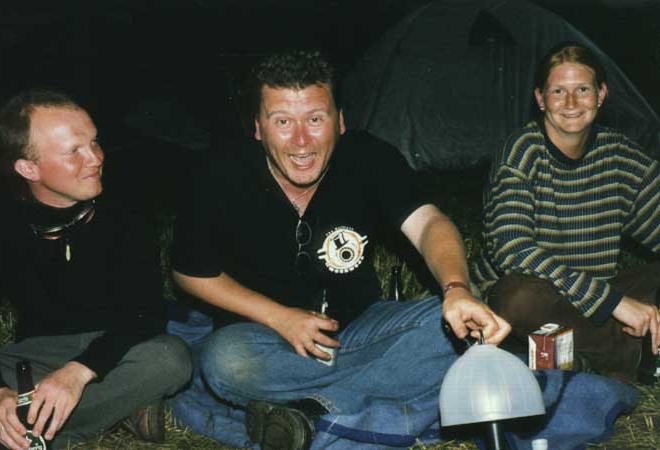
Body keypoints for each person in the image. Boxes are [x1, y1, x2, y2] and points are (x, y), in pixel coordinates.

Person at [168, 49, 511, 450]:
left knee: (463, 325)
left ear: (341, 121)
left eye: (315, 119)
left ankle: (310, 411)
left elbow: (430, 224)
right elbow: (190, 272)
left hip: (362, 328)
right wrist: (281, 318)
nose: (301, 141)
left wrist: (457, 289)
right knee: (225, 361)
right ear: (258, 128)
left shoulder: (368, 157)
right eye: (282, 122)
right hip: (264, 337)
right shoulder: (221, 173)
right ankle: (372, 395)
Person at [0, 89, 192, 450]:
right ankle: (118, 408)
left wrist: (78, 373)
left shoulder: (125, 212)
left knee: (170, 358)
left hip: (117, 351)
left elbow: (145, 315)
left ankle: (25, 433)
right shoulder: (1, 222)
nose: (95, 158)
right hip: (38, 356)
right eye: (74, 152)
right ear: (29, 168)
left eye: (94, 142)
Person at [472, 42, 660, 383]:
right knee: (519, 300)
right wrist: (614, 303)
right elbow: (512, 248)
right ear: (541, 99)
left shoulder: (618, 154)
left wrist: (609, 298)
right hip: (532, 296)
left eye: (582, 89)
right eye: (558, 91)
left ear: (601, 95)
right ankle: (628, 355)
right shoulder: (522, 152)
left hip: (592, 296)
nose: (571, 103)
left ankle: (571, 360)